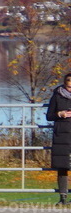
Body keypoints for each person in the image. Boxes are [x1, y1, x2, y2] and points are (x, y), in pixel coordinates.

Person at [45, 72, 71, 205]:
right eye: (68, 84)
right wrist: (59, 114)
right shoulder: (57, 95)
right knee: (62, 167)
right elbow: (49, 116)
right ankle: (63, 197)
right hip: (61, 135)